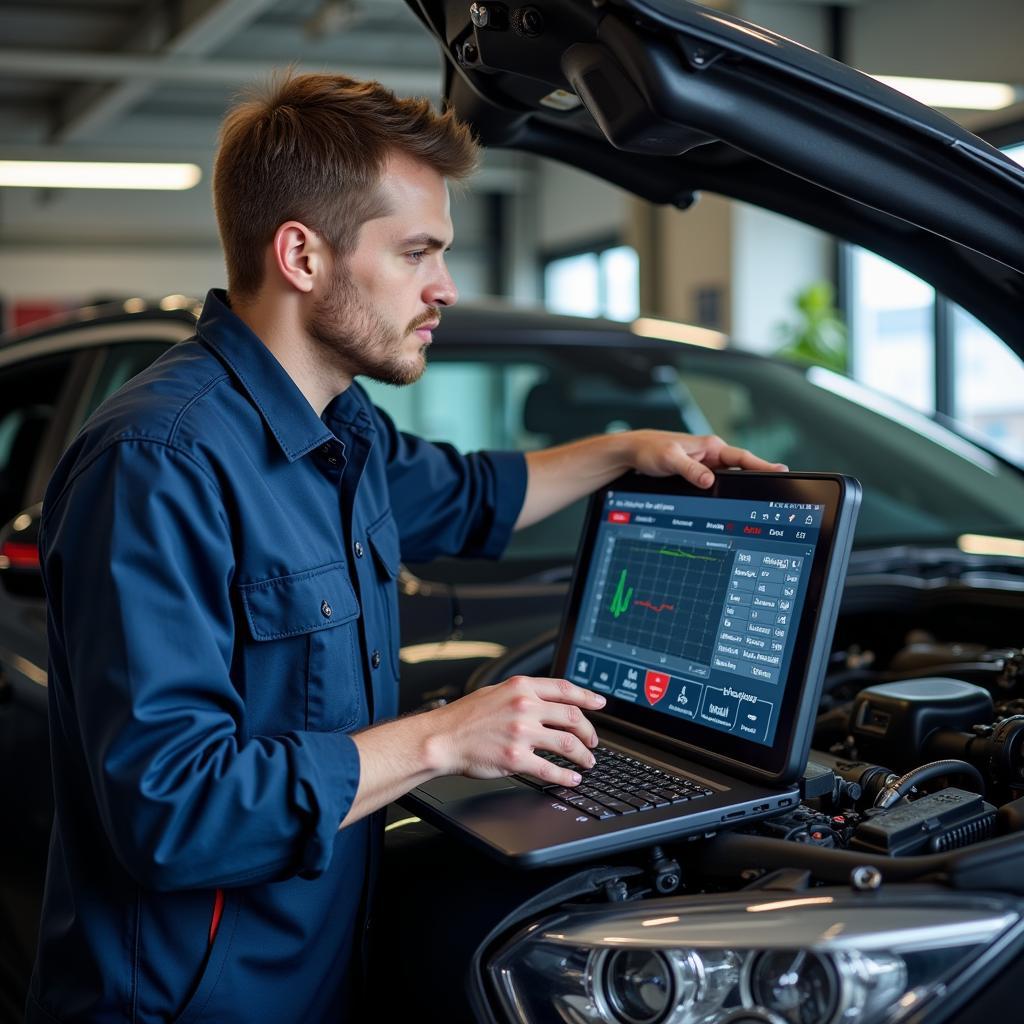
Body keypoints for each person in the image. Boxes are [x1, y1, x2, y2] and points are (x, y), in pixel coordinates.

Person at [27, 73, 785, 1023]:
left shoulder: (345, 430)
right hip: (196, 1004)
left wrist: (632, 451)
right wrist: (443, 737)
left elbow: (477, 495)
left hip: (322, 971)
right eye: (418, 252)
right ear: (302, 254)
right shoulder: (158, 463)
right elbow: (173, 813)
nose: (445, 288)